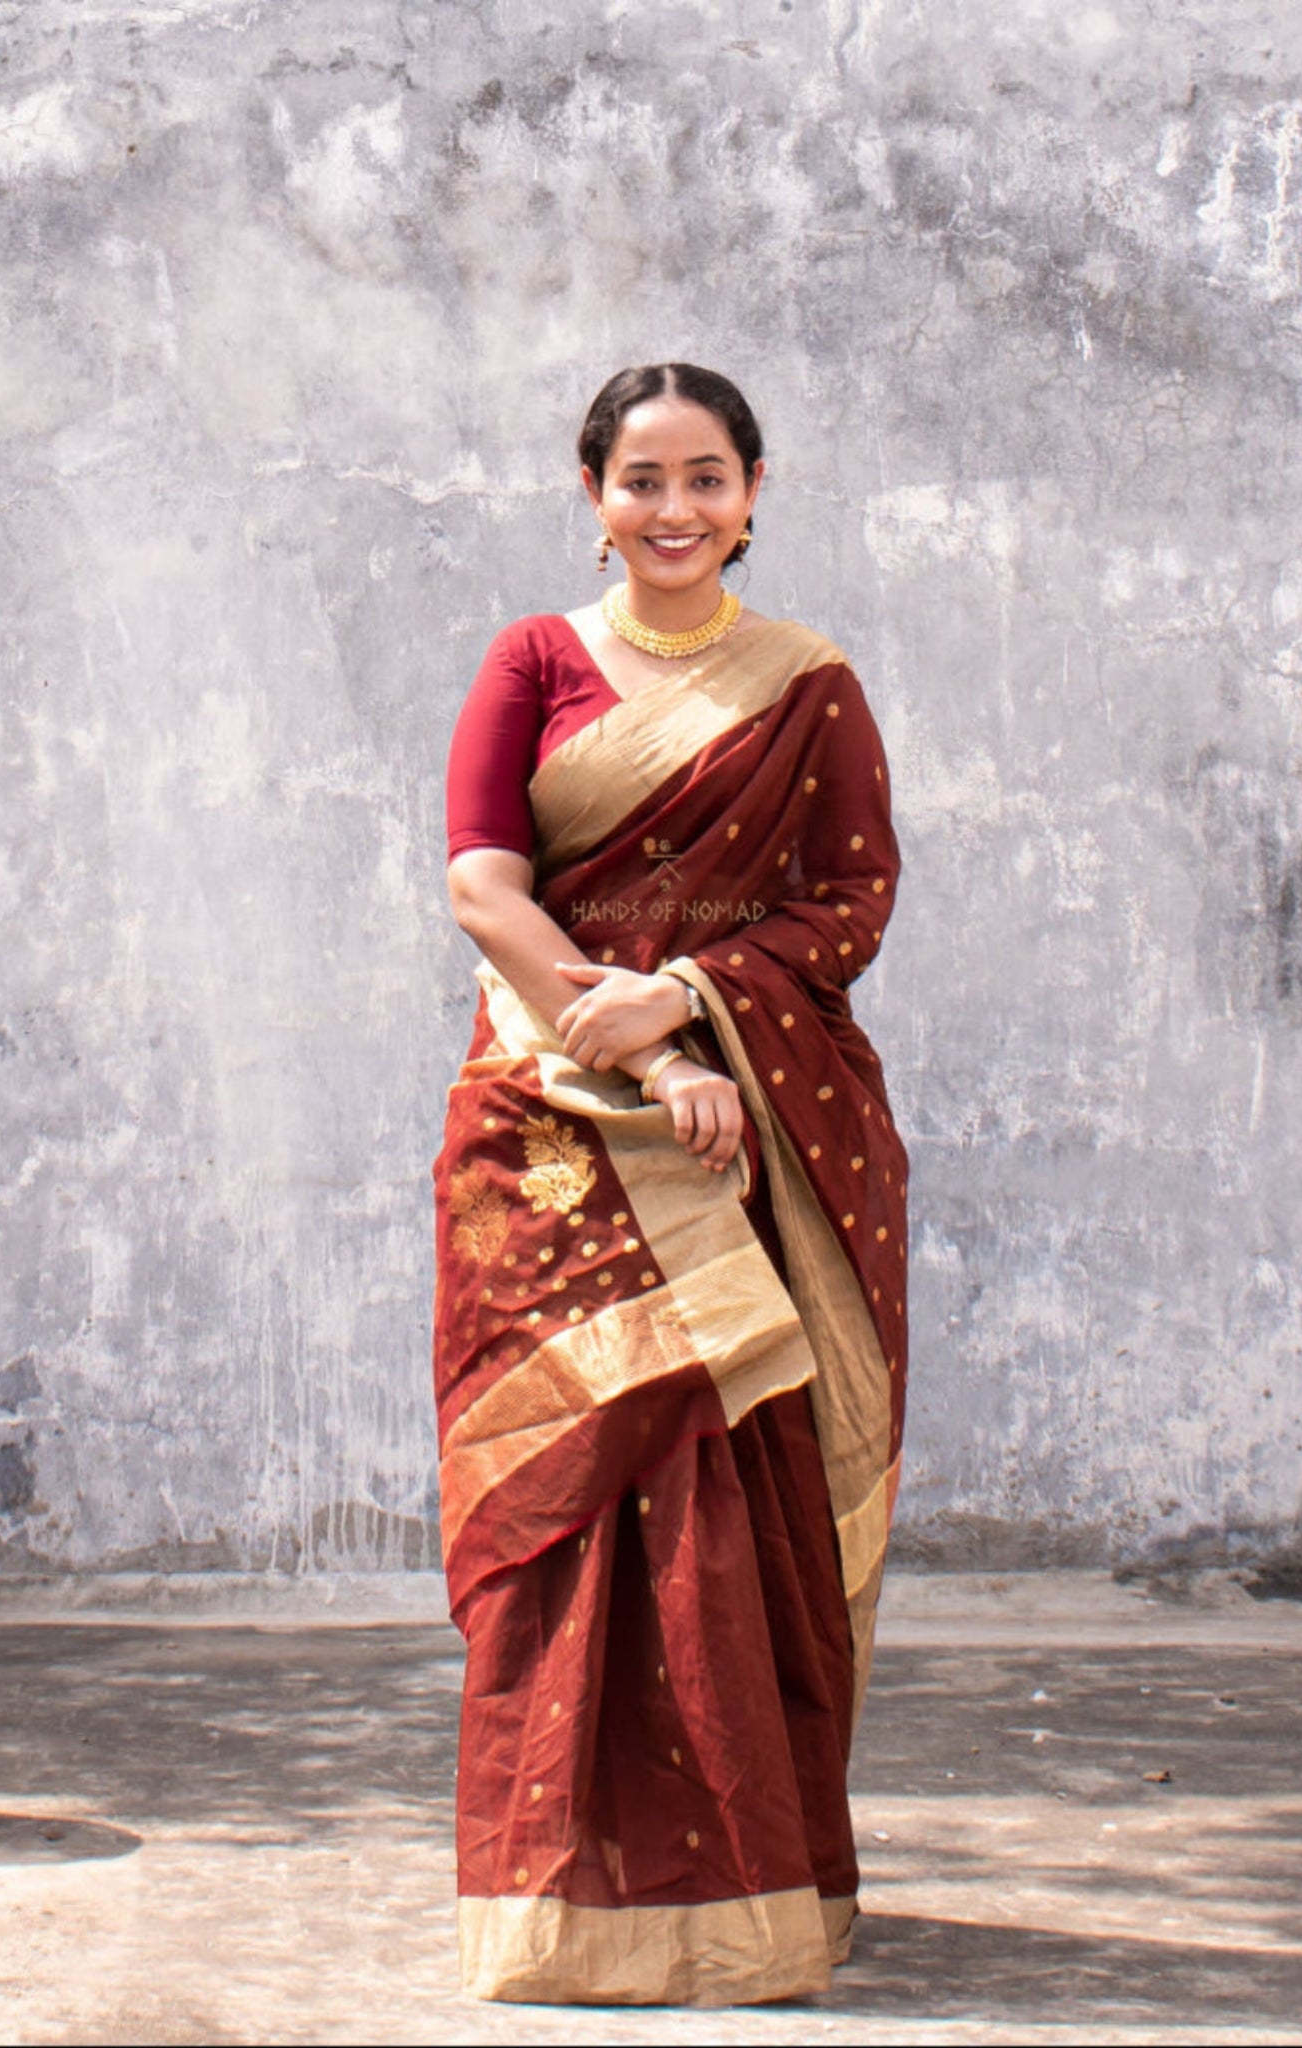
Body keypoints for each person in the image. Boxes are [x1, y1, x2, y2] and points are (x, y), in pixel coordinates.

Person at [433, 362, 908, 2007]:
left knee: (733, 1503)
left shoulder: (811, 686)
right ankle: (555, 1910)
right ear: (594, 496)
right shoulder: (535, 662)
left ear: (757, 491)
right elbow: (485, 886)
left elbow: (852, 900)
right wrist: (630, 1035)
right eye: (643, 481)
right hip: (558, 1121)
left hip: (752, 1128)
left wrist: (696, 998)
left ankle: (759, 1900)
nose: (676, 511)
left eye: (707, 478)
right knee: (566, 1498)